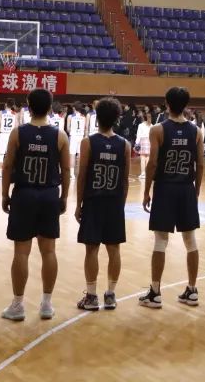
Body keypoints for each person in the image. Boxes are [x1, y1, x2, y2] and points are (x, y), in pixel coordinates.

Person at [0, 88, 71, 322]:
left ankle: (18, 305)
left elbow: (7, 166)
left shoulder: (18, 133)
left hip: (24, 194)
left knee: (21, 252)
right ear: (50, 107)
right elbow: (66, 170)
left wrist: (4, 194)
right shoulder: (60, 136)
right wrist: (64, 197)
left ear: (28, 106)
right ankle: (47, 304)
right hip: (49, 195)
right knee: (49, 251)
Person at [139, 86, 204, 309]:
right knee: (190, 240)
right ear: (186, 105)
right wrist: (196, 191)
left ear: (166, 103)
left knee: (160, 240)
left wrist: (146, 191)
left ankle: (155, 292)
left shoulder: (158, 129)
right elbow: (200, 164)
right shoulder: (196, 131)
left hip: (165, 188)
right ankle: (192, 290)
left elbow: (152, 163)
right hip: (186, 188)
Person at [74, 97, 129, 312]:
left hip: (94, 201)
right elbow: (124, 180)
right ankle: (111, 295)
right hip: (114, 202)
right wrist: (121, 204)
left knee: (92, 250)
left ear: (97, 118)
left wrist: (78, 204)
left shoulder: (88, 142)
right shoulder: (124, 145)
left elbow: (82, 176)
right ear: (117, 119)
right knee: (114, 249)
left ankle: (91, 296)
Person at [0, 100, 17, 182]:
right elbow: (16, 127)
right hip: (11, 135)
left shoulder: (1, 113)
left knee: (1, 155)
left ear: (6, 104)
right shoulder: (15, 114)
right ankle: (9, 173)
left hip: (3, 134)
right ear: (13, 106)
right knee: (10, 155)